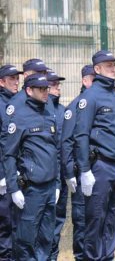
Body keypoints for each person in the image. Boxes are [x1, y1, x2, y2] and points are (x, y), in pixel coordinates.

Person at [74, 50, 115, 260]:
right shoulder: (90, 97)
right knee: (95, 220)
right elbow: (81, 135)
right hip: (101, 167)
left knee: (113, 221)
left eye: (114, 65)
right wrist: (85, 170)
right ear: (97, 69)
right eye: (108, 66)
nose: (113, 68)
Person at [3, 73, 58, 260]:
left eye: (47, 89)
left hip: (50, 188)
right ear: (29, 90)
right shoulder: (19, 118)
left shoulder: (49, 114)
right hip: (31, 189)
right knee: (25, 241)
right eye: (41, 89)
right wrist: (13, 188)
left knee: (46, 238)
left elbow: (55, 151)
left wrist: (57, 183)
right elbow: (9, 155)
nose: (45, 93)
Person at [61, 64, 95, 260]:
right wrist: (69, 173)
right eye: (93, 79)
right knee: (82, 220)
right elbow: (67, 142)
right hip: (81, 174)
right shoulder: (75, 106)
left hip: (99, 172)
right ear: (85, 80)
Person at [0, 65, 23, 260]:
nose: (16, 82)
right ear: (1, 82)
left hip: (18, 174)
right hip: (4, 176)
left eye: (17, 78)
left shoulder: (18, 103)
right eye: (11, 79)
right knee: (5, 226)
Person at [47, 71, 67, 261]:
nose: (58, 87)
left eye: (58, 84)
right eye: (54, 84)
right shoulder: (42, 110)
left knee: (58, 220)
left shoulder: (62, 111)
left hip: (61, 175)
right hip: (43, 176)